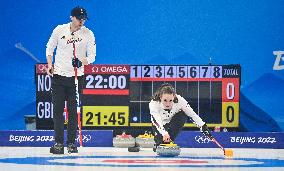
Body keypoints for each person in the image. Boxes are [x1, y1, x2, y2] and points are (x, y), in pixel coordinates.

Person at [46, 6, 96, 154]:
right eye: (79, 18)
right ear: (71, 17)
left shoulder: (88, 34)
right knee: (58, 111)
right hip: (59, 76)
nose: (82, 21)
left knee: (74, 112)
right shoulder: (59, 30)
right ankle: (59, 143)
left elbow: (92, 56)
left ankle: (71, 144)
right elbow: (49, 49)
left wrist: (82, 61)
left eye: (84, 19)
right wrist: (49, 64)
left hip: (76, 77)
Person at [149, 83, 213, 150]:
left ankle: (169, 140)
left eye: (170, 100)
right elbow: (156, 121)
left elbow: (192, 114)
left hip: (172, 122)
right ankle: (159, 141)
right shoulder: (153, 103)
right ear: (160, 97)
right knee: (159, 146)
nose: (168, 104)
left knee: (182, 115)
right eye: (165, 100)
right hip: (159, 124)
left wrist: (203, 126)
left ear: (174, 96)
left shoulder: (180, 100)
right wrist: (164, 133)